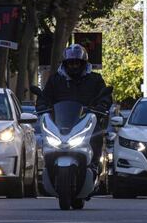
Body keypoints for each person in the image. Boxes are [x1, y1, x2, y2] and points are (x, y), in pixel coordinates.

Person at [37, 44, 112, 172]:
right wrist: (42, 105)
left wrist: (102, 105)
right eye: (71, 63)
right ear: (65, 64)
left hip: (86, 119)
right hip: (59, 122)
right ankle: (47, 165)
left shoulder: (95, 79)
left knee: (97, 134)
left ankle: (94, 164)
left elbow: (105, 96)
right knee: (45, 137)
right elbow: (44, 96)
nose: (74, 66)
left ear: (83, 63)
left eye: (77, 63)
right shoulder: (55, 79)